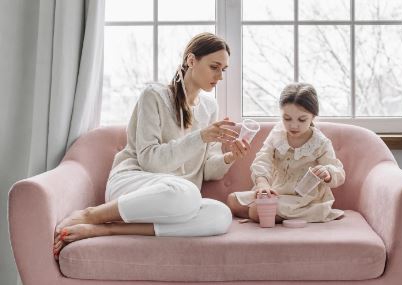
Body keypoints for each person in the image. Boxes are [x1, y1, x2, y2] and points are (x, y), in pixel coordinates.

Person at [53, 33, 250, 259]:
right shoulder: (154, 95)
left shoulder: (209, 107)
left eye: (223, 69)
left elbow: (207, 170)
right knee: (186, 192)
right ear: (191, 61)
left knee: (221, 215)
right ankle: (91, 215)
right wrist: (201, 137)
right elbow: (150, 161)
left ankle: (107, 228)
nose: (220, 77)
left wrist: (229, 157)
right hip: (136, 184)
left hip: (173, 201)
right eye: (214, 67)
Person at [227, 82, 345, 224]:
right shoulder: (278, 133)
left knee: (257, 210)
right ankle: (263, 213)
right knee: (232, 200)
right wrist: (262, 184)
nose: (293, 125)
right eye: (287, 118)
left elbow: (338, 172)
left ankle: (262, 213)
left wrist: (327, 173)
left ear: (313, 116)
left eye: (302, 119)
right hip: (276, 193)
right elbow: (263, 159)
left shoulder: (320, 142)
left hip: (305, 200)